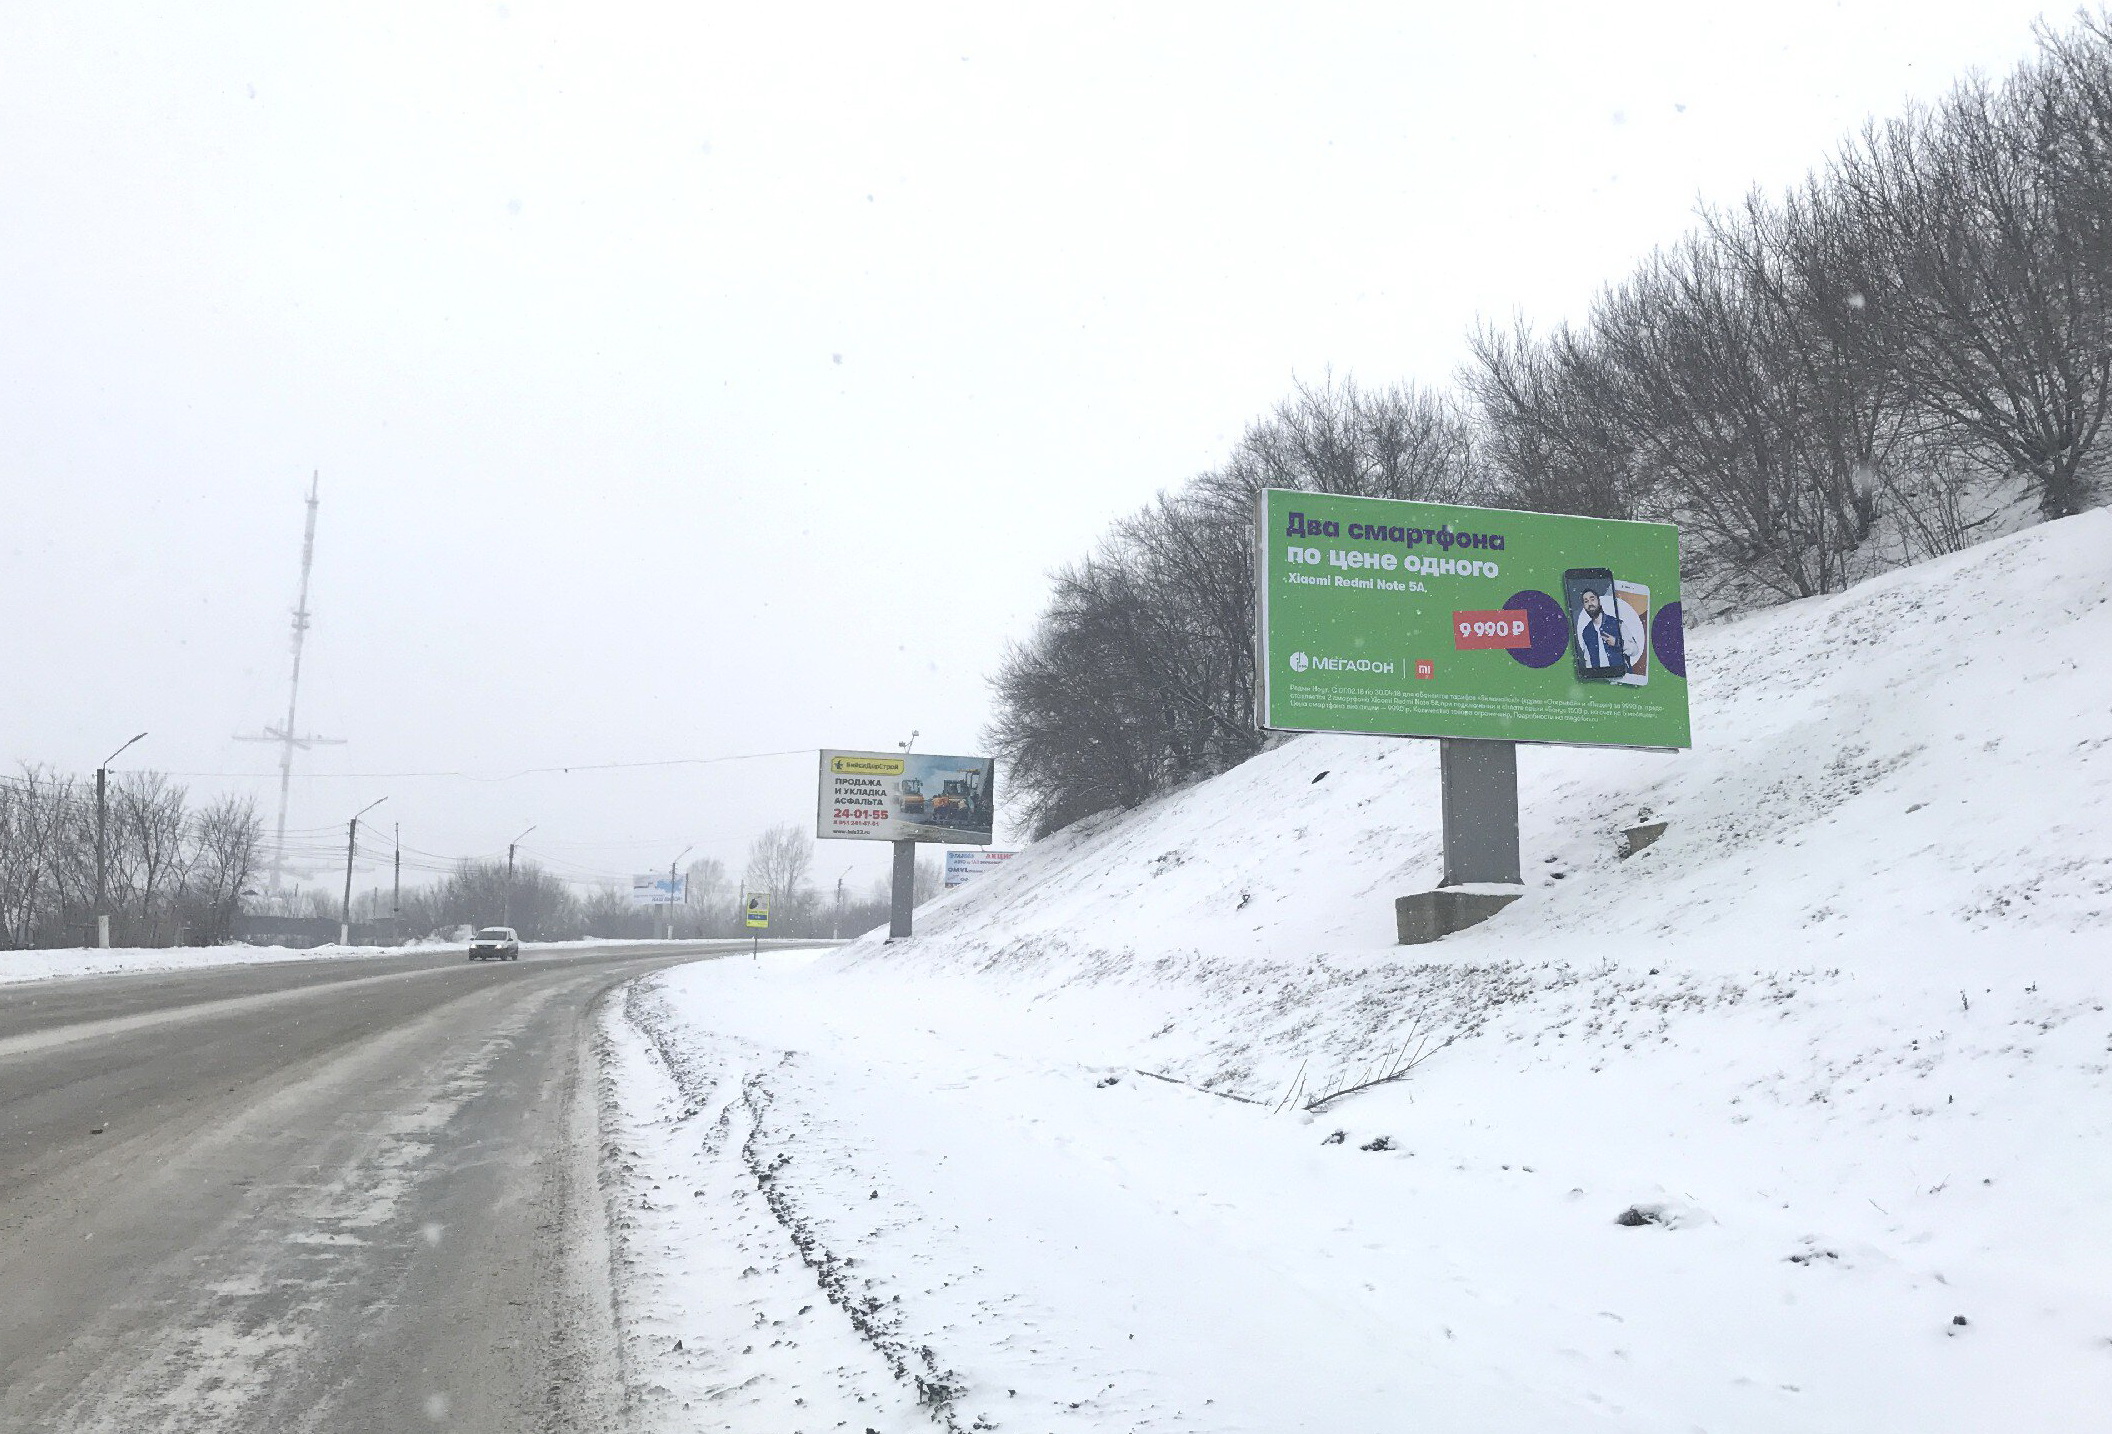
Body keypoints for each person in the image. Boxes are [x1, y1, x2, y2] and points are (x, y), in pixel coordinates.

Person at [1574, 588, 1626, 670]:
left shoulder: (1616, 623)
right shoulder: (1586, 632)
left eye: (1592, 599)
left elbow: (1634, 649)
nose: (1590, 603)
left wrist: (1617, 642)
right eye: (1586, 601)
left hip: (1619, 676)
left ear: (1599, 601)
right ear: (1584, 606)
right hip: (1599, 678)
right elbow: (1588, 660)